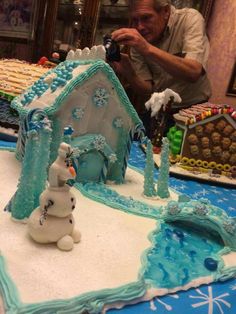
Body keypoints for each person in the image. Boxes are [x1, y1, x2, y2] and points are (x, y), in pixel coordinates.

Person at [111, 0, 212, 138]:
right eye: (135, 20)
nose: (139, 27)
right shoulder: (139, 40)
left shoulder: (190, 19)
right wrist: (129, 72)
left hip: (193, 111)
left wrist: (147, 48)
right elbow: (147, 89)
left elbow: (193, 72)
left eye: (146, 18)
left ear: (165, 11)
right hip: (158, 110)